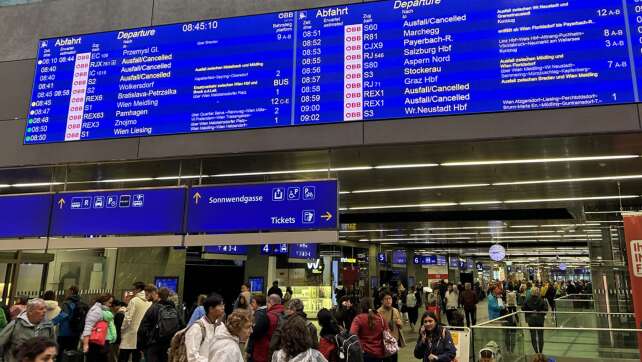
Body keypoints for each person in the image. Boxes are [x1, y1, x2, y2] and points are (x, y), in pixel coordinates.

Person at [137, 286, 182, 362]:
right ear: (168, 296)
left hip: (154, 345)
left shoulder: (154, 308)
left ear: (158, 295)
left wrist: (141, 346)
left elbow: (143, 328)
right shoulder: (174, 310)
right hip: (168, 345)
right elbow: (181, 326)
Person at [186, 293, 225, 362]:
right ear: (211, 309)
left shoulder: (221, 325)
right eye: (220, 305)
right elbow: (192, 357)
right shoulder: (197, 328)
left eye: (223, 305)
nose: (223, 308)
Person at [119, 282, 151, 362]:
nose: (132, 291)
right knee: (136, 358)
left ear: (139, 289)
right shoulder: (149, 302)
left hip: (129, 334)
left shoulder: (134, 300)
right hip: (141, 334)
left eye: (133, 289)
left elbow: (128, 318)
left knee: (123, 357)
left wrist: (122, 329)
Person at [350, 297, 386, 362]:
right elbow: (386, 331)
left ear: (361, 306)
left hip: (364, 353)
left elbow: (352, 334)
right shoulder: (380, 318)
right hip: (379, 353)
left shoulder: (358, 318)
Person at [82, 293, 114, 362]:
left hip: (99, 342)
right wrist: (85, 344)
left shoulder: (102, 311)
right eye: (109, 302)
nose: (110, 305)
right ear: (104, 301)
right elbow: (88, 327)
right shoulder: (96, 310)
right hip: (94, 343)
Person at [377, 291, 403, 362]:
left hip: (394, 342)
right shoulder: (378, 313)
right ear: (382, 301)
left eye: (390, 298)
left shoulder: (395, 310)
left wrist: (400, 323)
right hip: (384, 343)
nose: (388, 300)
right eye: (386, 299)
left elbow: (401, 326)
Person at [522, 287, 548, 356]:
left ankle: (536, 352)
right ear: (538, 292)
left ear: (531, 292)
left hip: (531, 319)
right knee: (540, 336)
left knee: (533, 336)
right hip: (540, 319)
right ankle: (541, 352)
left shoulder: (527, 300)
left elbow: (522, 308)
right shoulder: (541, 300)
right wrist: (540, 312)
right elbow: (546, 309)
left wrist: (530, 311)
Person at [262, 295, 284, 362]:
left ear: (270, 303)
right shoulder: (285, 313)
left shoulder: (269, 316)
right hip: (283, 350)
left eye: (267, 303)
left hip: (270, 349)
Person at [247, 295, 268, 362]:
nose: (251, 304)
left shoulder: (259, 314)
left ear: (259, 303)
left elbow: (254, 331)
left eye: (253, 302)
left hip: (257, 345)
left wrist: (249, 349)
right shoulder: (263, 312)